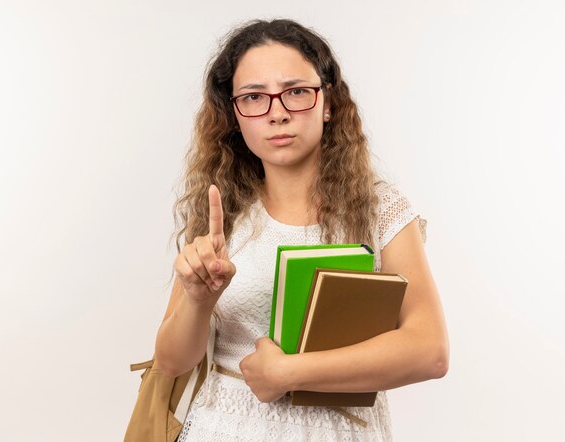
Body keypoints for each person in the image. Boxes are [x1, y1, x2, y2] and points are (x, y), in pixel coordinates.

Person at [154, 18, 449, 441]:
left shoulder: (378, 210)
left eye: (295, 92)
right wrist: (199, 300)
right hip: (226, 428)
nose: (277, 113)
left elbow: (430, 350)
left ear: (328, 103)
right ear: (235, 116)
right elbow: (171, 363)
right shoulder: (225, 212)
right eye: (254, 97)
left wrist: (289, 372)